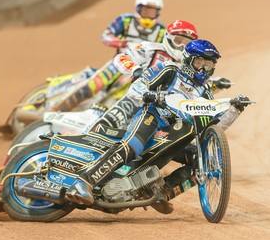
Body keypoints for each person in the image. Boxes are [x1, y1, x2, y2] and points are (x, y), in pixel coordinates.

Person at [65, 39, 251, 213]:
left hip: (174, 132)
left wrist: (235, 110)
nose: (203, 69)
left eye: (209, 65)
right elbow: (136, 87)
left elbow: (214, 129)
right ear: (188, 60)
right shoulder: (169, 70)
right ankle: (83, 182)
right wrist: (150, 95)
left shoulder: (204, 92)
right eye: (200, 62)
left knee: (201, 160)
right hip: (152, 117)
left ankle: (160, 193)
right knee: (131, 147)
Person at [51, 0, 165, 112]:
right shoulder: (125, 20)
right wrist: (119, 42)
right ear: (138, 8)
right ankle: (57, 108)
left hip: (139, 71)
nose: (148, 14)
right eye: (146, 10)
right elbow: (106, 36)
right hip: (119, 64)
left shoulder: (161, 31)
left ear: (157, 13)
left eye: (152, 11)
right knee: (96, 84)